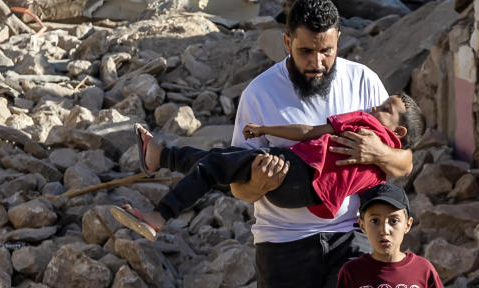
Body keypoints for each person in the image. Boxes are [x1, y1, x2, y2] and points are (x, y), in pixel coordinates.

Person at [225, 0, 414, 288]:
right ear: (287, 43)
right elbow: (239, 188)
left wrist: (378, 153)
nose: (317, 63)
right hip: (284, 243)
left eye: (326, 51)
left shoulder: (364, 82)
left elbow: (405, 162)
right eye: (305, 51)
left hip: (354, 238)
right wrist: (260, 184)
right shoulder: (258, 94)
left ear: (338, 38)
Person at [111, 93, 425, 239]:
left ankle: (159, 215)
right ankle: (160, 156)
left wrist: (265, 130)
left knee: (215, 166)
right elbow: (403, 167)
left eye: (386, 108)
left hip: (296, 171)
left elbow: (308, 131)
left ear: (398, 133)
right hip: (302, 198)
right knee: (221, 164)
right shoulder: (384, 168)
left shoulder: (365, 125)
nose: (375, 106)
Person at [336, 183, 443, 288]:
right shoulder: (352, 272)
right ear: (362, 225)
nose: (384, 230)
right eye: (375, 221)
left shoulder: (423, 269)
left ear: (407, 224)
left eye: (394, 221)